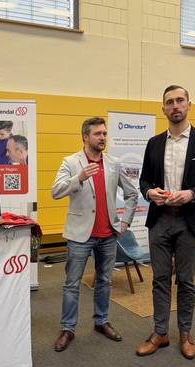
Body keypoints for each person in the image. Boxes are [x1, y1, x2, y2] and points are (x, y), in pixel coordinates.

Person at [137, 85, 195, 360]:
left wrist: (192, 193)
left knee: (186, 281)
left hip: (189, 221)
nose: (175, 106)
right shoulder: (154, 143)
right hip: (160, 220)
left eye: (179, 100)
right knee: (160, 279)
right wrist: (149, 193)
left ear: (189, 104)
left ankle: (185, 333)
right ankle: (160, 332)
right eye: (169, 102)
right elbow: (144, 180)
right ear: (163, 108)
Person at [51, 117, 138, 352]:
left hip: (108, 234)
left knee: (104, 281)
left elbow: (132, 194)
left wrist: (125, 222)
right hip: (80, 235)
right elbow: (55, 192)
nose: (103, 137)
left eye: (104, 133)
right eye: (98, 134)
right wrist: (79, 177)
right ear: (85, 136)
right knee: (72, 284)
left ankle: (101, 321)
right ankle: (68, 328)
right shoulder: (70, 162)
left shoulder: (114, 163)